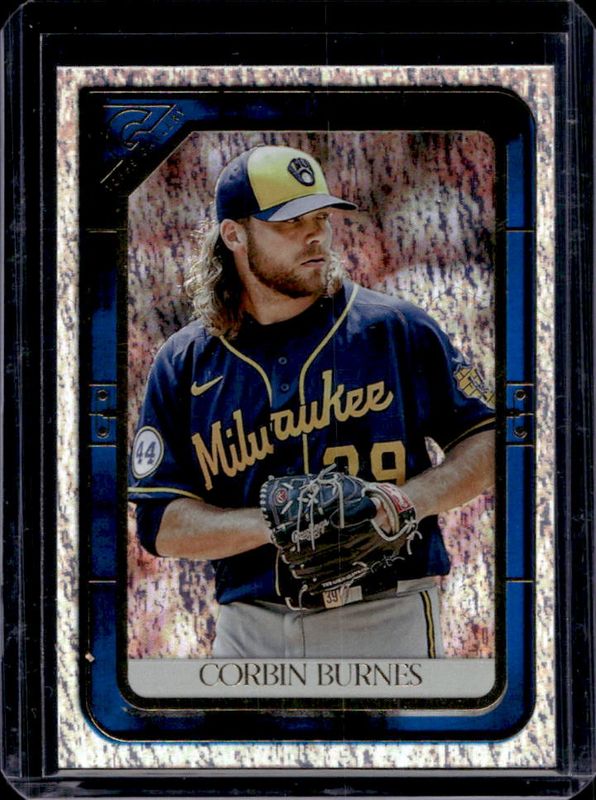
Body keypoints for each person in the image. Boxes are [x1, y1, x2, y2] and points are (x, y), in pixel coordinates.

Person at [128, 144, 495, 659]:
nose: (316, 234)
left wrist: (403, 502)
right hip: (250, 625)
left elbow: (489, 442)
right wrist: (273, 525)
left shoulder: (396, 329)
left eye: (321, 217)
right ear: (234, 235)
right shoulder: (184, 361)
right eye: (290, 222)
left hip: (384, 611)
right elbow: (161, 524)